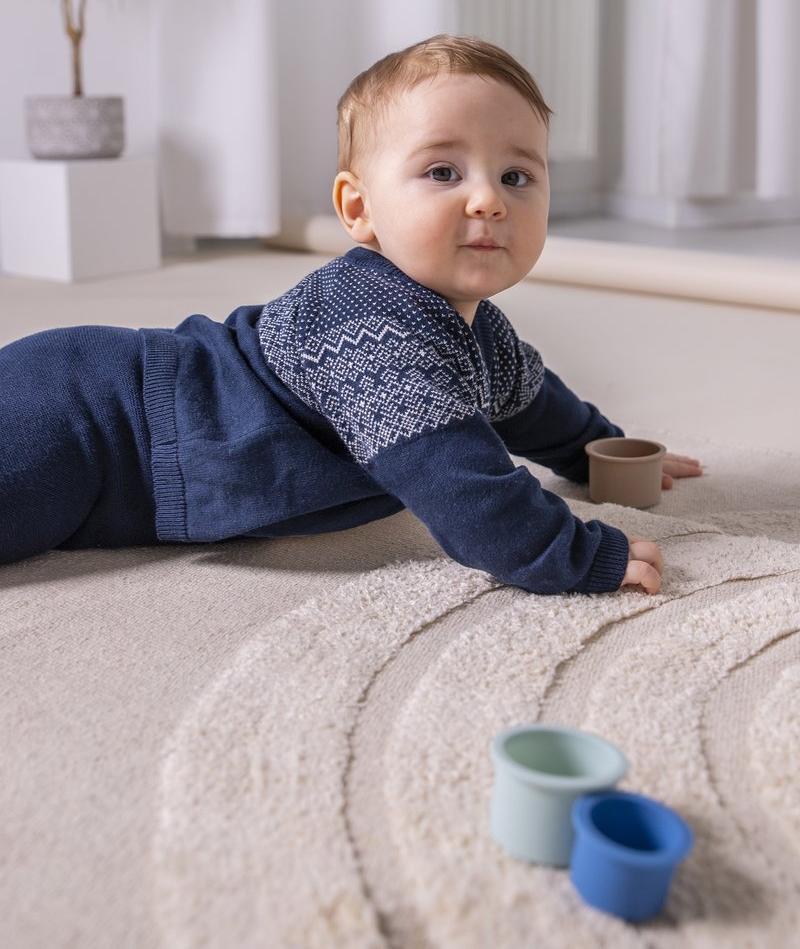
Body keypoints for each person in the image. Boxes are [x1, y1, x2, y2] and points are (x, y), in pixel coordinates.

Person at [0, 34, 701, 590]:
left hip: (117, 414)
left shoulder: (476, 327)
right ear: (358, 209)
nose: (488, 199)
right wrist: (569, 553)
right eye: (443, 173)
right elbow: (458, 484)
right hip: (95, 421)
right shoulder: (373, 326)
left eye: (516, 176)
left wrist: (592, 451)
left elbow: (525, 399)